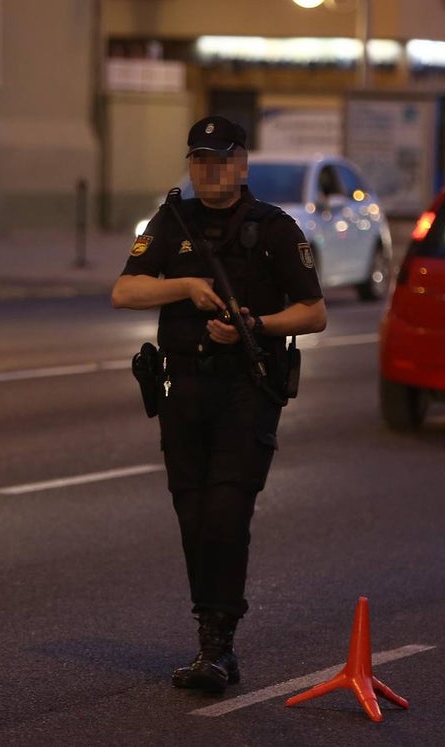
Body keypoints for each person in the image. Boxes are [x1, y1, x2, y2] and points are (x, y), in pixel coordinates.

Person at [111, 115, 327, 694]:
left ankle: (219, 649)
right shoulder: (172, 219)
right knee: (193, 517)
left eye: (221, 159)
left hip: (246, 389)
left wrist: (255, 323)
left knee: (227, 516)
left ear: (242, 164)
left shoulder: (274, 229)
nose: (210, 171)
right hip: (183, 389)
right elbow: (124, 290)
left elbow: (314, 312)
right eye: (200, 160)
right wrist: (182, 286)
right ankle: (210, 638)